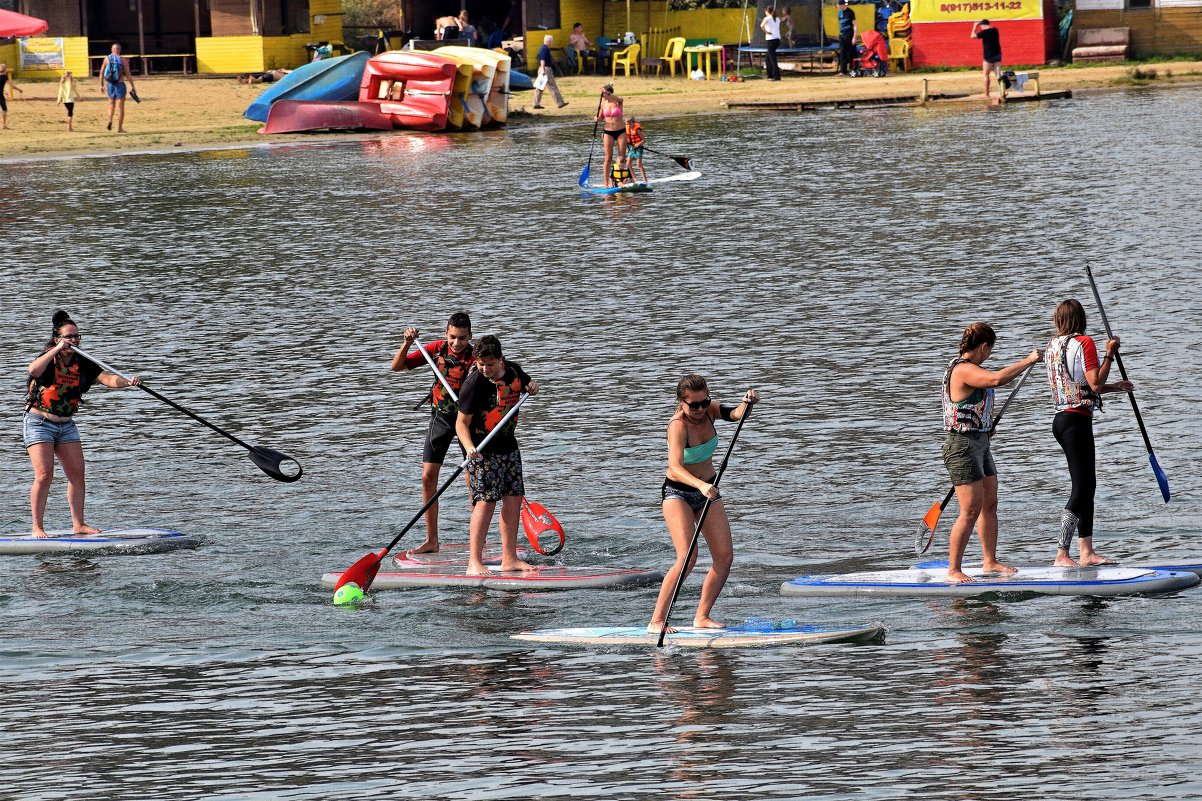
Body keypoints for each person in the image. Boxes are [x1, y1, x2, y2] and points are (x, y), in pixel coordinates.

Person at [648, 375, 758, 634]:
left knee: (724, 557)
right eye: (692, 405)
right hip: (679, 493)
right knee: (687, 557)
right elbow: (675, 467)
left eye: (703, 402)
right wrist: (700, 486)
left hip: (708, 490)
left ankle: (702, 617)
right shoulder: (677, 425)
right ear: (681, 403)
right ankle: (656, 621)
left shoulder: (709, 410)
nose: (699, 410)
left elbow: (735, 415)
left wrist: (747, 402)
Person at [941, 323, 1043, 584]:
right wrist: (1028, 360)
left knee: (990, 504)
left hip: (981, 442)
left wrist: (984, 425)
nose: (989, 356)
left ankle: (990, 562)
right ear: (984, 346)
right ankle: (953, 569)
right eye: (990, 351)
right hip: (961, 446)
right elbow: (996, 379)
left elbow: (976, 405)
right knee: (970, 509)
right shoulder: (963, 369)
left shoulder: (973, 368)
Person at [24, 310, 140, 539]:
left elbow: (107, 379)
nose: (74, 341)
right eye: (69, 337)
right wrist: (56, 349)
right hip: (39, 422)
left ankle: (79, 524)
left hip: (66, 425)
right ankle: (37, 527)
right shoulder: (48, 358)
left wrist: (127, 382)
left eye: (77, 337)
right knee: (45, 475)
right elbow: (33, 370)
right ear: (58, 338)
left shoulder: (83, 362)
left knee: (77, 475)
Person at [1044, 300, 1134, 568]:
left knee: (1088, 487)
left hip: (1062, 420)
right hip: (1075, 422)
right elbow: (1094, 382)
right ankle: (1062, 553)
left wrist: (1116, 386)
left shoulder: (1052, 346)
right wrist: (1109, 353)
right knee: (1083, 488)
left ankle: (1087, 552)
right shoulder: (1084, 342)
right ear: (1080, 319)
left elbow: (1081, 385)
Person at [454, 335, 539, 576]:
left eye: (490, 365)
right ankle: (474, 562)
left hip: (509, 447)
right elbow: (461, 424)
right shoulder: (474, 384)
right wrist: (470, 447)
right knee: (486, 503)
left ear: (500, 360)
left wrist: (533, 385)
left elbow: (528, 384)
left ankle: (509, 559)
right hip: (482, 450)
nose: (485, 370)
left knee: (513, 499)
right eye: (480, 364)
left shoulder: (513, 371)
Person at [391, 313, 475, 554]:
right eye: (452, 337)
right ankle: (431, 540)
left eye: (462, 338)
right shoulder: (436, 349)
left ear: (470, 336)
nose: (456, 343)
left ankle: (475, 541)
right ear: (445, 334)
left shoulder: (478, 356)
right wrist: (407, 343)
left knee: (473, 480)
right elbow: (397, 366)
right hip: (441, 417)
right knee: (428, 477)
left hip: (468, 421)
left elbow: (500, 375)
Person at [100, 43, 136, 133]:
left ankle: (110, 120)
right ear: (119, 50)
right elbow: (128, 74)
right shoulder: (122, 60)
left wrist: (101, 85)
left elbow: (101, 73)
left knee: (111, 104)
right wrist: (133, 86)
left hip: (110, 84)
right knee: (121, 107)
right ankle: (119, 128)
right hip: (120, 84)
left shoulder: (106, 59)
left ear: (112, 50)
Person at [598, 83, 626, 187]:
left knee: (621, 157)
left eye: (604, 93)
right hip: (608, 131)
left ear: (609, 93)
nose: (603, 95)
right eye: (602, 93)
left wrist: (607, 92)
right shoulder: (602, 103)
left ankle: (620, 180)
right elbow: (601, 117)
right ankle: (606, 182)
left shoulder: (618, 101)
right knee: (608, 158)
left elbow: (621, 100)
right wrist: (597, 119)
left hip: (621, 131)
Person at [532, 34, 568, 110]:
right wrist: (543, 71)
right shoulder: (545, 49)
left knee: (540, 87)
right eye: (552, 42)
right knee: (553, 87)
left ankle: (536, 103)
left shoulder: (542, 48)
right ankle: (560, 103)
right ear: (549, 41)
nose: (552, 43)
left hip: (542, 68)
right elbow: (542, 59)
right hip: (546, 69)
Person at [971, 19, 1003, 98]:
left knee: (986, 74)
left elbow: (972, 36)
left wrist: (974, 26)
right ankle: (1003, 92)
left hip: (988, 57)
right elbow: (990, 28)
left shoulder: (984, 32)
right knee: (998, 75)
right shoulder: (995, 30)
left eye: (981, 26)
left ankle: (986, 95)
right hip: (998, 55)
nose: (981, 28)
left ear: (983, 25)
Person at [761, 6, 782, 82]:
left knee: (772, 58)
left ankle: (776, 76)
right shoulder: (777, 19)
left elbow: (761, 26)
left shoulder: (767, 18)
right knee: (767, 58)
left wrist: (766, 32)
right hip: (777, 40)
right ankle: (770, 75)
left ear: (767, 11)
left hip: (771, 40)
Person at [836, 0, 857, 76]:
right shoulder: (839, 13)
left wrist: (854, 37)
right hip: (842, 35)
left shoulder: (850, 12)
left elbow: (855, 25)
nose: (838, 6)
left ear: (843, 5)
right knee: (842, 53)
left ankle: (854, 70)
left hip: (849, 34)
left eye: (839, 5)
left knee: (852, 52)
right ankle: (843, 71)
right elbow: (840, 24)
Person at [1, 63, 23, 130]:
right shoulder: (5, 77)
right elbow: (11, 86)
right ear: (5, 70)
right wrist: (19, 90)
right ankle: (4, 125)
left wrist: (3, 91)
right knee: (4, 109)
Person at [625, 114, 647, 182]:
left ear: (633, 122)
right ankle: (634, 179)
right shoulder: (626, 128)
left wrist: (638, 143)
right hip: (631, 148)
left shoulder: (637, 130)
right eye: (627, 124)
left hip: (638, 148)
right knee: (628, 164)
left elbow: (644, 140)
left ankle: (645, 180)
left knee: (639, 164)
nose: (629, 126)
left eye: (630, 124)